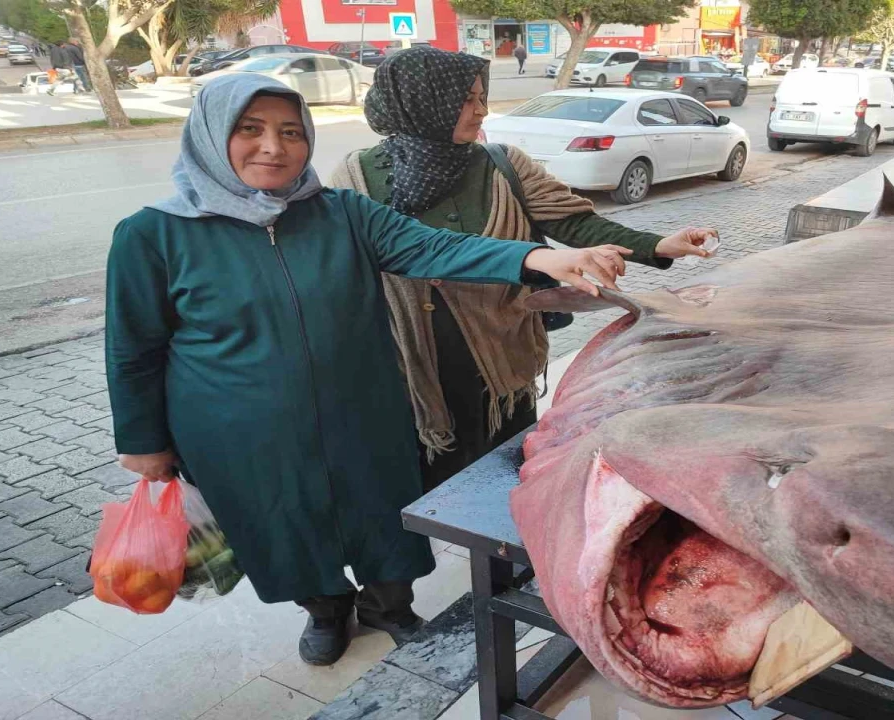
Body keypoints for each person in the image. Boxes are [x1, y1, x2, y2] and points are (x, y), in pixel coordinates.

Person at [106, 73, 631, 666]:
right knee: (284, 526)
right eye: (249, 130)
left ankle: (389, 605)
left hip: (363, 411)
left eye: (289, 131)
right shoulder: (152, 235)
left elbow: (437, 247)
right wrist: (144, 443)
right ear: (209, 135)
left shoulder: (341, 213)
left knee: (381, 517)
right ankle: (325, 611)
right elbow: (133, 348)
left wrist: (541, 256)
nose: (273, 148)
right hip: (241, 435)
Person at [330, 46, 717, 492]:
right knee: (434, 482)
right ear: (424, 103)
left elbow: (574, 220)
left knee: (505, 476)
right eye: (467, 100)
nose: (482, 110)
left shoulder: (502, 165)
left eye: (482, 96)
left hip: (500, 355)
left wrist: (658, 245)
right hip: (410, 364)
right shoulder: (355, 177)